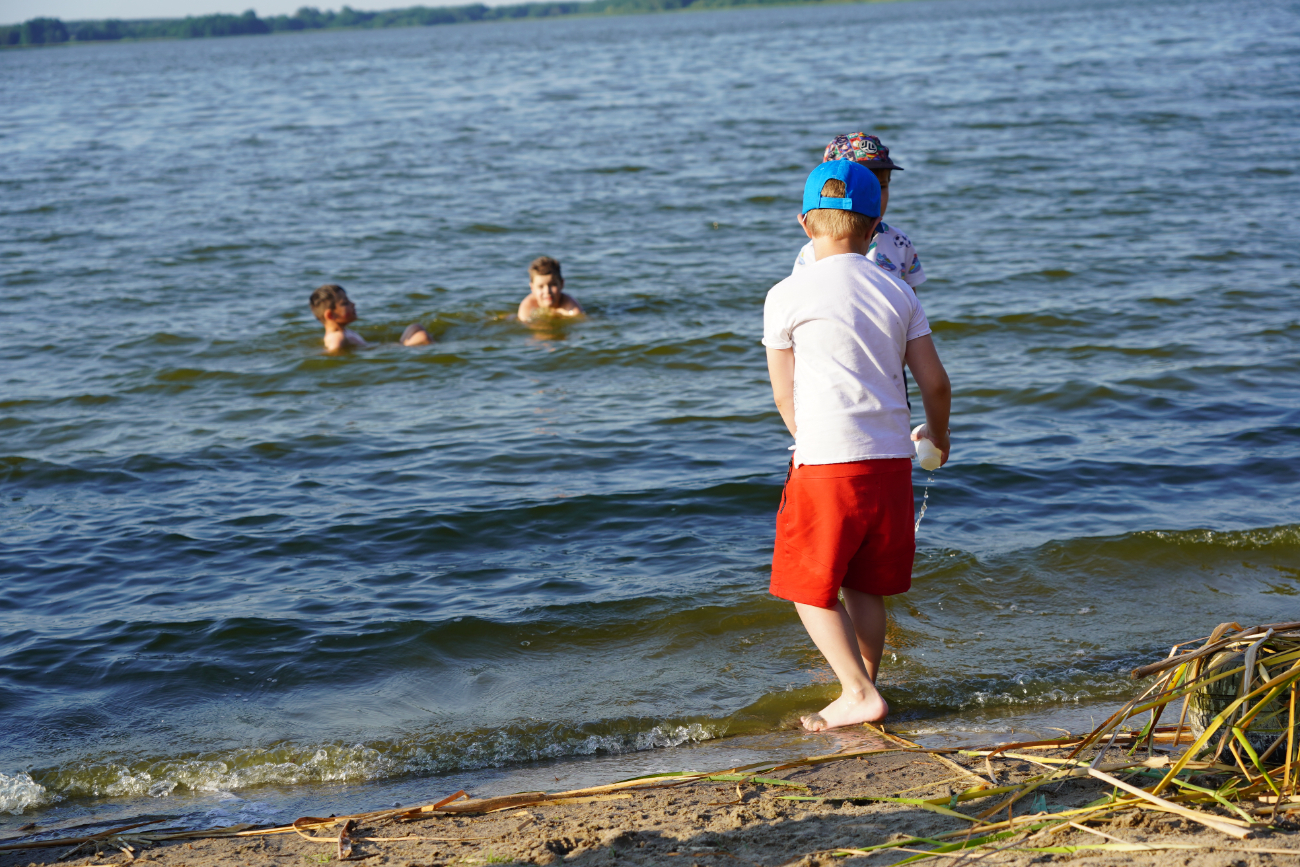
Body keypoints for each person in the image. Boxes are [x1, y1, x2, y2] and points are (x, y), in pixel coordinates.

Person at [763, 160, 952, 731]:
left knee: (806, 586)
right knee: (865, 585)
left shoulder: (785, 294)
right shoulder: (897, 290)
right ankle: (865, 686)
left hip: (826, 463)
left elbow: (783, 393)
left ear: (803, 223)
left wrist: (806, 437)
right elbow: (936, 383)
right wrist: (937, 436)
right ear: (874, 229)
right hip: (891, 462)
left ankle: (857, 691)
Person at [793, 133, 925, 292]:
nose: (873, 197)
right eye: (861, 190)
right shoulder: (811, 252)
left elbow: (912, 304)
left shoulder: (900, 242)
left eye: (881, 187)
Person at [308, 284, 431, 353]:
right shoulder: (337, 337)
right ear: (330, 315)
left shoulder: (343, 332)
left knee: (415, 327)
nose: (353, 304)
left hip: (389, 347)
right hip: (391, 351)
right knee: (422, 336)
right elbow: (333, 352)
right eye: (345, 303)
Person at [517, 256, 584, 322]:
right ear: (532, 288)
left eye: (553, 285)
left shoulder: (570, 305)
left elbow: (579, 319)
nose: (547, 291)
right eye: (541, 286)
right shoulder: (528, 305)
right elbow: (524, 321)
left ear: (561, 284)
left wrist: (560, 314)